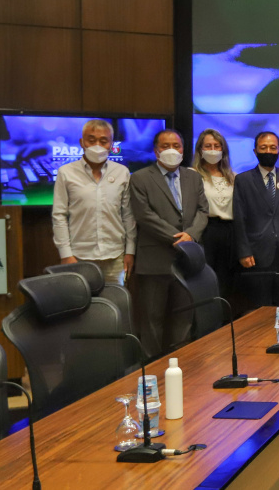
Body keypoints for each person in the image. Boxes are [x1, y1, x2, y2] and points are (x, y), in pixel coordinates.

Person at [129, 129, 209, 358]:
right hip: (155, 260)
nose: (172, 150)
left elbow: (203, 211)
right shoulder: (140, 178)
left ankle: (183, 365)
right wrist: (178, 238)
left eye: (177, 145)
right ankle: (152, 369)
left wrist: (191, 235)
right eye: (165, 146)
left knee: (184, 317)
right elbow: (144, 215)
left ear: (183, 150)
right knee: (152, 320)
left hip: (188, 261)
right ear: (156, 151)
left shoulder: (193, 177)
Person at [52, 119, 136, 284]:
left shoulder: (122, 172)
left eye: (103, 141)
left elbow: (128, 215)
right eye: (91, 140)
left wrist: (130, 251)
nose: (97, 146)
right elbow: (59, 216)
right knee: (80, 300)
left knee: (116, 299)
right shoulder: (66, 172)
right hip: (78, 257)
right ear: (82, 142)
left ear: (112, 145)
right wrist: (65, 254)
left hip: (115, 257)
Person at [233, 131, 279, 309]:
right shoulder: (243, 180)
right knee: (260, 307)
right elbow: (239, 218)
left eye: (273, 148)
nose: (268, 151)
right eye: (263, 147)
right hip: (256, 254)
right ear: (255, 151)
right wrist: (244, 251)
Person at [192, 129, 236, 303]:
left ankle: (224, 317)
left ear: (223, 149)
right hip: (205, 231)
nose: (212, 150)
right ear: (200, 150)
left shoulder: (233, 177)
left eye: (217, 146)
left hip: (229, 232)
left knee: (226, 282)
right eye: (208, 146)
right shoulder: (192, 175)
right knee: (205, 280)